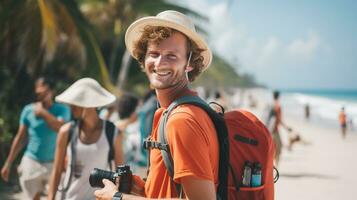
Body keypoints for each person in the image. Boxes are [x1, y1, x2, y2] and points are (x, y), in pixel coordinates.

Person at [94, 10, 218, 199]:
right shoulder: (169, 112)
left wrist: (117, 197)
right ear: (144, 58)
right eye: (154, 53)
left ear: (189, 63)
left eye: (172, 56)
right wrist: (142, 189)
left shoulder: (182, 120)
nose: (160, 63)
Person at [47, 78, 124, 200]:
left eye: (76, 103)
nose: (71, 107)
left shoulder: (113, 133)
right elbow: (56, 171)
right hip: (68, 197)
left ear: (90, 105)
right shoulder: (66, 131)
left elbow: (121, 174)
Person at [1, 77, 71, 200]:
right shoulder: (28, 110)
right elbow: (20, 137)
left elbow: (60, 128)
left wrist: (43, 113)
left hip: (53, 163)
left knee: (55, 197)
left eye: (44, 92)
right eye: (38, 92)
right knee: (33, 197)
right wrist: (8, 163)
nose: (41, 95)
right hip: (31, 160)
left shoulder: (62, 110)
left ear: (51, 91)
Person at [267, 90, 292, 166]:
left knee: (272, 148)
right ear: (279, 96)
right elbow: (279, 119)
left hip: (269, 129)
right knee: (279, 148)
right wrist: (286, 128)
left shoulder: (270, 105)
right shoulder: (278, 106)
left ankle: (272, 165)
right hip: (274, 130)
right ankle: (274, 166)